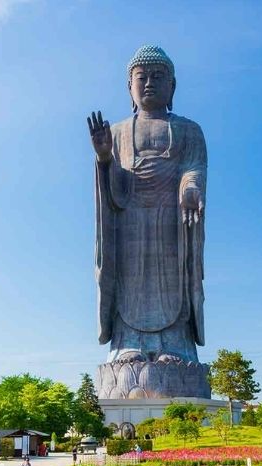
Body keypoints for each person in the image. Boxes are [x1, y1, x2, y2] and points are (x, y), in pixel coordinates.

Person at [88, 45, 209, 401]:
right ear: (130, 86)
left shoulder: (189, 131)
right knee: (128, 278)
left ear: (173, 86)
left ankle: (177, 347)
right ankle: (128, 345)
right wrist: (104, 157)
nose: (150, 84)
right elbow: (113, 190)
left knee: (175, 276)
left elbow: (195, 168)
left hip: (172, 222)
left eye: (159, 77)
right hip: (129, 223)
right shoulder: (120, 131)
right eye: (142, 77)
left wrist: (190, 188)